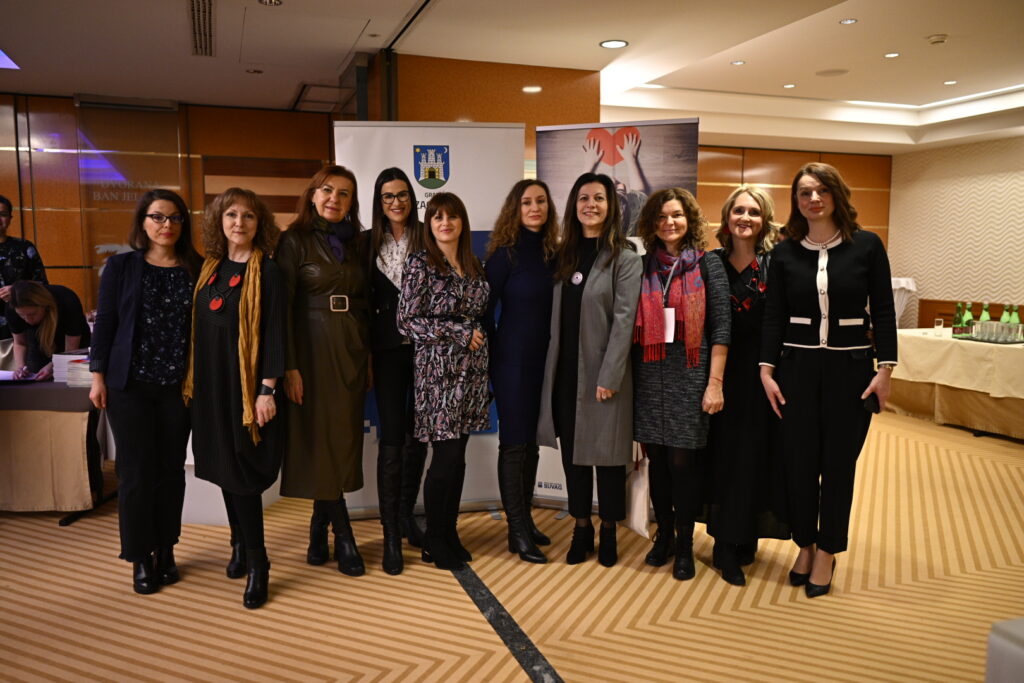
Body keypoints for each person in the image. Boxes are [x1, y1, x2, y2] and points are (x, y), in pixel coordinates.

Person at [760, 162, 897, 598]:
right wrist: (766, 370)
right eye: (804, 192)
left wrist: (885, 370)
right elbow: (774, 316)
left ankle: (827, 551)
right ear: (796, 200)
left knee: (838, 467)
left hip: (850, 372)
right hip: (796, 371)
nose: (814, 199)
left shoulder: (867, 246)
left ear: (837, 194)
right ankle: (805, 544)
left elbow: (885, 310)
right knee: (799, 465)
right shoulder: (784, 252)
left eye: (821, 190)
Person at [89, 189, 200, 595]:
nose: (166, 225)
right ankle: (139, 556)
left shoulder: (197, 268)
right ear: (143, 222)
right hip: (130, 387)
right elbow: (105, 324)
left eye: (174, 218)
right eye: (157, 217)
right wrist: (98, 376)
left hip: (178, 389)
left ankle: (166, 549)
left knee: (170, 471)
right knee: (135, 472)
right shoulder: (122, 267)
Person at [183, 188, 285, 609]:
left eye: (248, 216)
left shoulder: (268, 270)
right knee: (224, 468)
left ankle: (259, 562)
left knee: (241, 472)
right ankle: (238, 543)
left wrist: (267, 390)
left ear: (259, 223)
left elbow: (276, 332)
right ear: (218, 221)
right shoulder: (209, 267)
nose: (238, 223)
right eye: (231, 215)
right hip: (210, 386)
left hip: (246, 389)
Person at [537, 172, 642, 567]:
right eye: (583, 198)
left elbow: (624, 321)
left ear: (611, 206)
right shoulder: (563, 256)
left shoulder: (624, 258)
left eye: (599, 198)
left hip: (605, 377)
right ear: (574, 206)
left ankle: (609, 530)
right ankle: (581, 528)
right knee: (574, 458)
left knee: (610, 458)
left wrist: (610, 377)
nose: (591, 205)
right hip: (565, 374)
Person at [277, 165, 371, 577]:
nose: (335, 198)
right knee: (319, 439)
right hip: (310, 350)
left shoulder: (357, 243)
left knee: (340, 440)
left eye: (344, 193)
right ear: (313, 195)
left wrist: (367, 355)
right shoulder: (293, 240)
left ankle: (319, 525)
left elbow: (367, 302)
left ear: (352, 202)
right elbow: (280, 308)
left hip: (350, 347)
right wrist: (289, 366)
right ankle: (343, 533)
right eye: (327, 190)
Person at [632, 188, 730, 581]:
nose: (669, 223)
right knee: (657, 460)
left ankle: (686, 542)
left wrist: (715, 383)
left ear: (689, 219)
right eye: (660, 217)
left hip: (691, 375)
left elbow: (721, 328)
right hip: (648, 374)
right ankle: (665, 537)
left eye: (676, 215)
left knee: (682, 463)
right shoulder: (642, 265)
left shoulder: (709, 264)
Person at [396, 192, 490, 571]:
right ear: (429, 224)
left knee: (458, 457)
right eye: (437, 217)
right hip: (438, 373)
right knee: (445, 457)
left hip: (472, 373)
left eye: (452, 216)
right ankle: (434, 539)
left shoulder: (474, 263)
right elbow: (406, 321)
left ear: (462, 222)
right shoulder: (420, 263)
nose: (445, 223)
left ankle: (449, 533)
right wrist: (457, 332)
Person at [705, 185, 786, 585]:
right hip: (718, 375)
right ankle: (723, 544)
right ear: (726, 218)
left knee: (756, 457)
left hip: (763, 375)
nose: (745, 218)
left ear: (764, 219)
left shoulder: (776, 263)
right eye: (738, 210)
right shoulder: (712, 263)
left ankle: (746, 533)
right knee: (723, 458)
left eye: (754, 212)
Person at [483, 179, 559, 564]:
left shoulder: (555, 254)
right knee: (514, 443)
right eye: (527, 202)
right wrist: (493, 356)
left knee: (531, 443)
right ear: (515, 209)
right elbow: (483, 311)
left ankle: (525, 520)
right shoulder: (504, 256)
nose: (534, 208)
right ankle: (515, 529)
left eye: (540, 201)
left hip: (547, 362)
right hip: (512, 362)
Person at [367, 167, 426, 575]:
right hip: (386, 352)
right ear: (379, 201)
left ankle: (406, 516)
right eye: (388, 196)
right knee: (391, 436)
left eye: (402, 194)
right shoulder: (365, 242)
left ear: (412, 198)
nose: (396, 202)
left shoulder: (427, 238)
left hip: (426, 350)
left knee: (418, 433)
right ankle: (390, 533)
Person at [7, 281, 90, 380]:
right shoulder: (12, 307)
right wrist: (20, 367)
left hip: (76, 346)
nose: (28, 320)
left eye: (32, 314)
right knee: (37, 380)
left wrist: (53, 365)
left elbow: (71, 351)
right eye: (21, 315)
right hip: (38, 343)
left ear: (44, 305)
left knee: (76, 380)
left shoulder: (66, 300)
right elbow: (20, 343)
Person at [0, 193, 48, 342]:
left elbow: (43, 286)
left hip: (22, 327)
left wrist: (18, 290)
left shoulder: (24, 247)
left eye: (3, 214)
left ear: (10, 218)